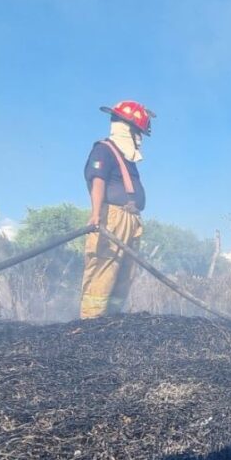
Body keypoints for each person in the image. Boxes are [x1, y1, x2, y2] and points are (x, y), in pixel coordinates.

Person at [80, 100, 154, 319]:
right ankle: (91, 322)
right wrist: (96, 215)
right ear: (127, 129)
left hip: (130, 219)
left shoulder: (126, 158)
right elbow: (98, 181)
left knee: (124, 272)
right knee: (104, 267)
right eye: (138, 133)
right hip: (112, 217)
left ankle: (110, 320)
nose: (139, 139)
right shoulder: (104, 150)